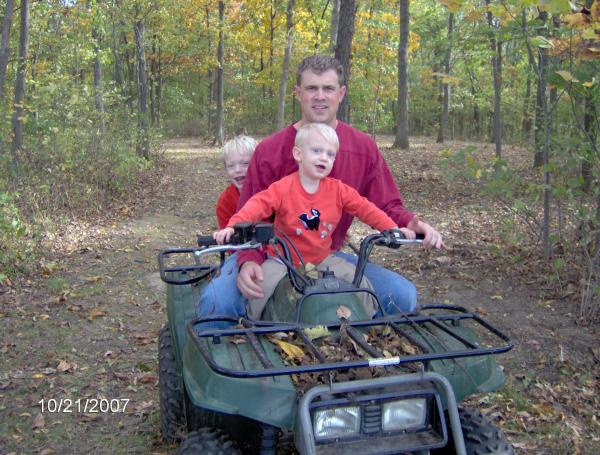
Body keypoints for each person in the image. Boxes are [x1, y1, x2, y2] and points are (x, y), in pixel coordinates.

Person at [198, 54, 444, 323]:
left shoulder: (362, 148)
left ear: (341, 93)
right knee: (216, 305)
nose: (320, 96)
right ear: (298, 93)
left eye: (328, 88)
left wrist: (409, 223)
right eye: (311, 88)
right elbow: (251, 214)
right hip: (269, 254)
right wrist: (247, 260)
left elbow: (385, 206)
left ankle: (363, 354)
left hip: (325, 254)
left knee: (402, 296)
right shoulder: (270, 150)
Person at [213, 123, 415, 320]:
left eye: (330, 154)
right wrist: (234, 225)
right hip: (283, 260)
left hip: (323, 258)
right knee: (259, 288)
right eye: (317, 151)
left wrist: (391, 228)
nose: (323, 158)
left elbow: (366, 208)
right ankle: (254, 326)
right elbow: (256, 205)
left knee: (360, 282)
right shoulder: (283, 188)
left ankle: (364, 323)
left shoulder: (338, 190)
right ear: (298, 154)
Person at [215, 135, 258, 229]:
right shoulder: (225, 202)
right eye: (231, 166)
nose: (237, 170)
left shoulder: (269, 190)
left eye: (245, 163)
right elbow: (227, 237)